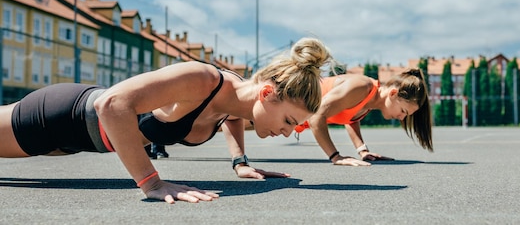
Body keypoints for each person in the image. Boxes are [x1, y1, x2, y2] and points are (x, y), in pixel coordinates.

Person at [0, 37, 331, 203]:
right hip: (63, 118)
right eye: (289, 121)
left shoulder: (238, 100)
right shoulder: (202, 79)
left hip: (77, 141)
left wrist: (240, 163)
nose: (288, 132)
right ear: (267, 93)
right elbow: (112, 104)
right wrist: (152, 183)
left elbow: (231, 116)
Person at [294, 68, 433, 166]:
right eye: (403, 111)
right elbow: (316, 115)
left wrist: (362, 151)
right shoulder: (362, 87)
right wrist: (335, 156)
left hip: (290, 118)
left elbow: (350, 117)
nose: (402, 118)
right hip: (286, 100)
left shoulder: (370, 101)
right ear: (393, 94)